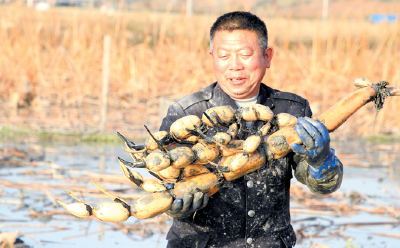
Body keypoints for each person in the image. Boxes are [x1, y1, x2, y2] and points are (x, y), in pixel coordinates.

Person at [159, 11, 343, 248]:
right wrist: (175, 205)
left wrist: (322, 160)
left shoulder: (291, 110)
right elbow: (165, 185)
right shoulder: (187, 115)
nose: (235, 66)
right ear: (212, 57)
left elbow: (322, 186)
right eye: (224, 56)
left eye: (245, 55)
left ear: (267, 56)